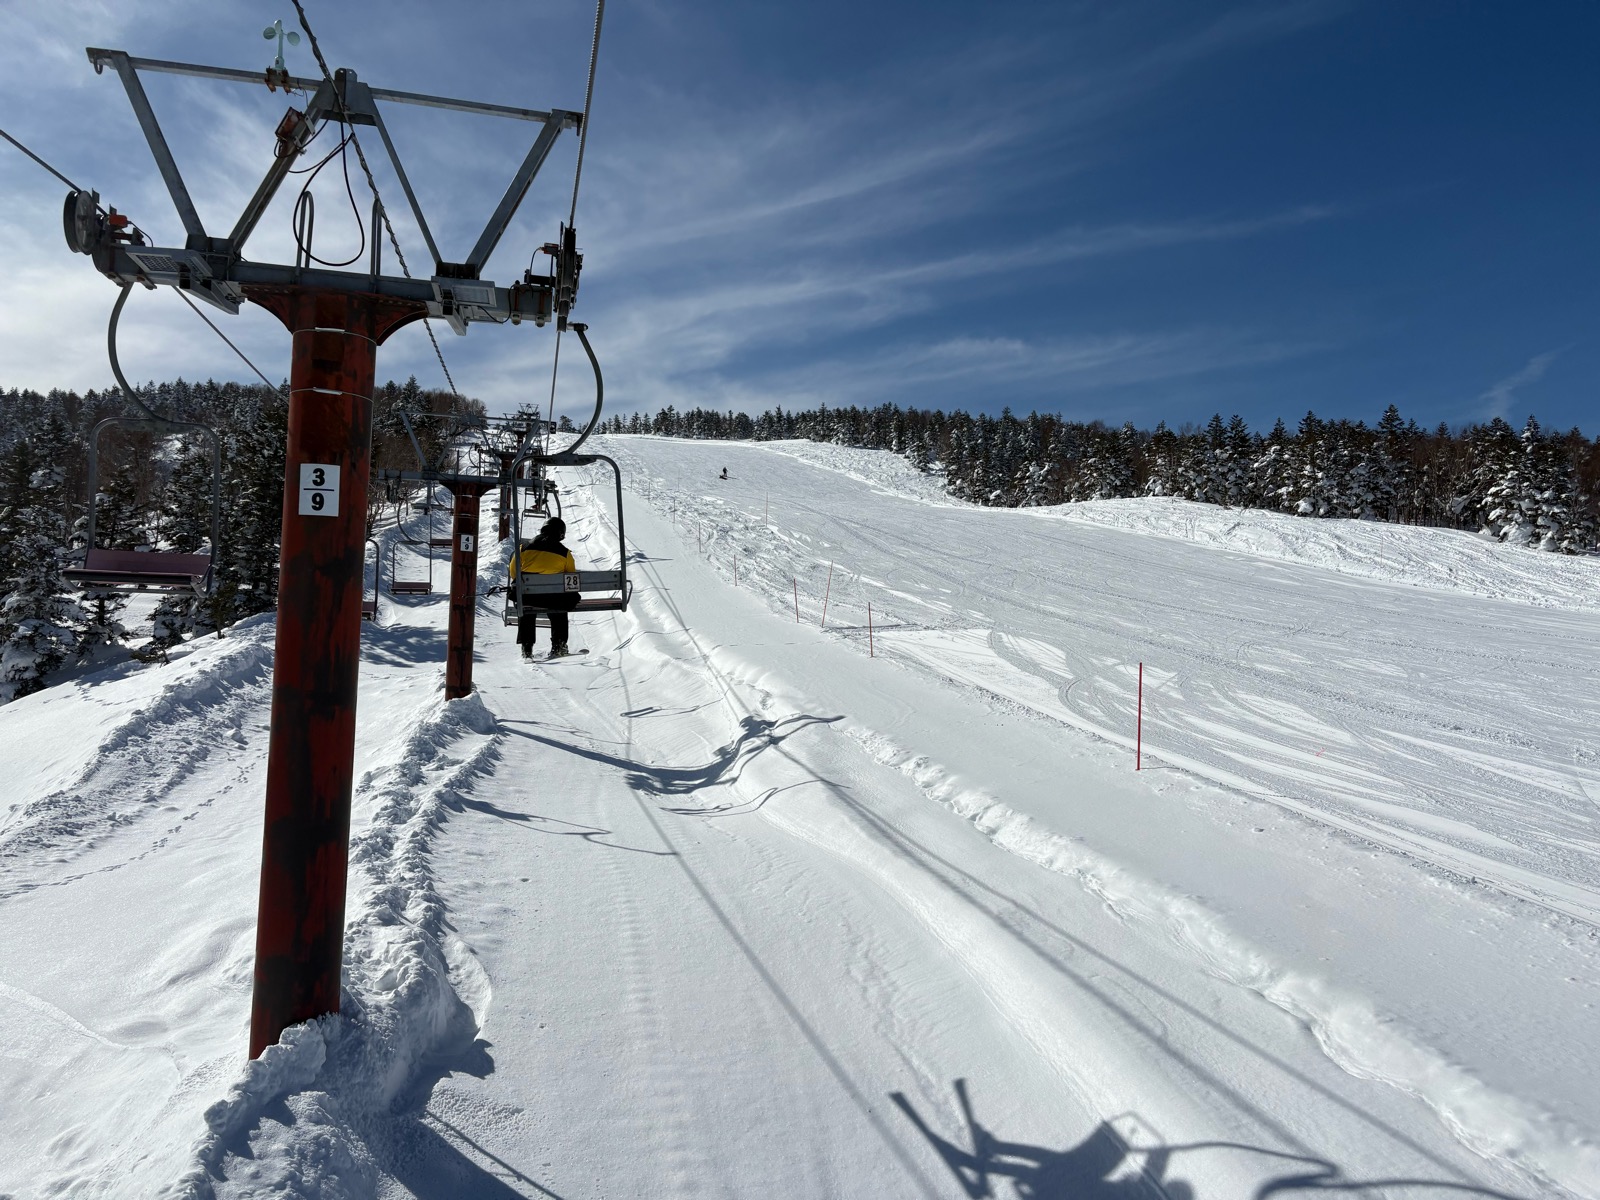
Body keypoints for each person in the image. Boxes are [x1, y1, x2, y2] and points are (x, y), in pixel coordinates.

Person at [509, 517, 579, 659]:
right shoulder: (565, 553)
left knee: (526, 606)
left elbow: (513, 572)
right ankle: (559, 645)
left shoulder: (523, 548)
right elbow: (571, 579)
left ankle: (527, 647)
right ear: (560, 534)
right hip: (553, 599)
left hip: (528, 596)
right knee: (560, 608)